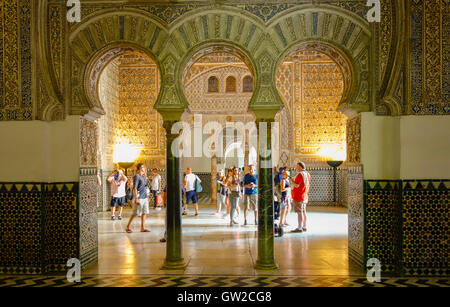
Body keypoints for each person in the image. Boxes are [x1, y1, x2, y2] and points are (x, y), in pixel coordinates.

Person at [126, 164, 151, 233]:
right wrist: (136, 198)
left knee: (144, 212)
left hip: (144, 197)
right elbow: (135, 188)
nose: (144, 168)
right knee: (135, 213)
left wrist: (147, 196)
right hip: (139, 197)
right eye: (142, 167)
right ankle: (127, 227)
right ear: (139, 169)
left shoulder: (143, 176)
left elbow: (146, 187)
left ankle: (142, 228)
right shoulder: (137, 176)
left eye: (144, 167)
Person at [289, 162, 311, 233]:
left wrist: (291, 180)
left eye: (297, 167)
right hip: (304, 195)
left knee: (299, 212)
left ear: (301, 167)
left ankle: (299, 227)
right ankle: (304, 226)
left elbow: (297, 185)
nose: (296, 168)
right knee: (304, 211)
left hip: (299, 196)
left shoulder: (300, 174)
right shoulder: (307, 174)